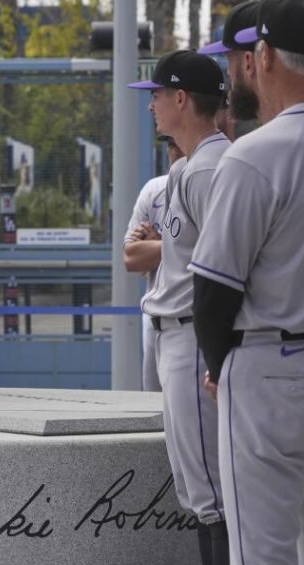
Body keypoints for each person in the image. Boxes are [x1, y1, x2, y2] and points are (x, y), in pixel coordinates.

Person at [192, 2, 304, 565]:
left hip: (276, 369)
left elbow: (212, 293)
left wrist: (220, 368)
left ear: (262, 56)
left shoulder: (257, 153)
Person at [129, 49, 232, 565]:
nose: (151, 104)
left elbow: (233, 269)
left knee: (212, 498)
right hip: (176, 334)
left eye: (156, 94)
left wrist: (221, 355)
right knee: (200, 494)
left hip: (195, 335)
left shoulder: (214, 167)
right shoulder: (183, 167)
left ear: (181, 99)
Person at [124, 137, 185, 392]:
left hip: (189, 318)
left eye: (177, 143)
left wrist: (159, 244)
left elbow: (207, 251)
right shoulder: (154, 189)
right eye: (169, 144)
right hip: (155, 316)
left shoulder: (211, 179)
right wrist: (173, 247)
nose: (174, 150)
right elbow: (131, 258)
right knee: (154, 407)